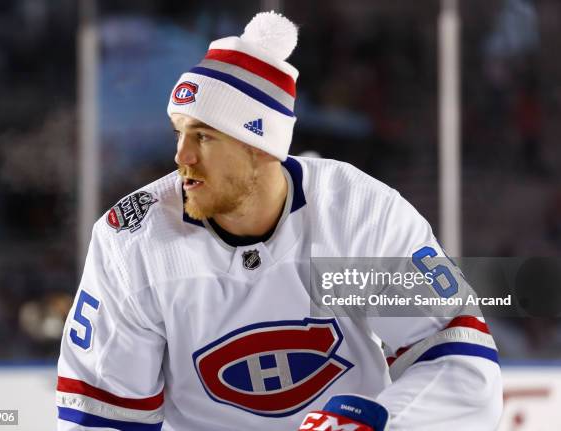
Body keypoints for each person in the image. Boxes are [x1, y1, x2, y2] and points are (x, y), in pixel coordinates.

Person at [57, 11, 502, 430]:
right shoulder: (131, 241)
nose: (181, 158)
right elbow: (102, 417)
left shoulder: (359, 213)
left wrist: (374, 422)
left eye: (205, 136)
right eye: (180, 132)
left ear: (261, 147)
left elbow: (459, 358)